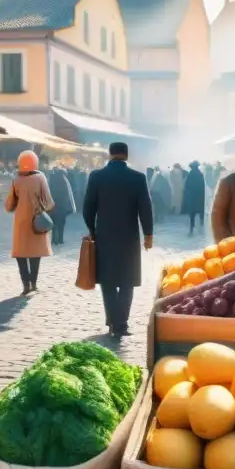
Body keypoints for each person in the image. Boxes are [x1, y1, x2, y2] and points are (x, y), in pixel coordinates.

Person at [83, 142, 153, 337]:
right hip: (129, 238)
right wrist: (148, 234)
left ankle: (112, 321)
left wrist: (92, 229)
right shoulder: (138, 178)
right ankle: (122, 323)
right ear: (126, 155)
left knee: (108, 281)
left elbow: (88, 208)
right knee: (127, 281)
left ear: (110, 154)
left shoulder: (96, 176)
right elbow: (145, 208)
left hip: (104, 236)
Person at [5, 150, 55, 295]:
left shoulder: (16, 179)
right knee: (35, 254)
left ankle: (25, 285)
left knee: (20, 254)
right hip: (36, 220)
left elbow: (9, 205)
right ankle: (34, 284)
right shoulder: (40, 177)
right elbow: (49, 202)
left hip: (20, 221)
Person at [47, 163, 76, 246]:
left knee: (53, 224)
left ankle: (53, 240)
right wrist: (71, 208)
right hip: (62, 206)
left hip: (52, 206)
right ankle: (60, 239)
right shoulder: (65, 181)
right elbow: (69, 195)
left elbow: (48, 192)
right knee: (61, 225)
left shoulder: (51, 180)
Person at [180, 161, 206, 235]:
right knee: (200, 211)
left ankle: (191, 229)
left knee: (192, 213)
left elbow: (187, 187)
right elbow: (202, 187)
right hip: (199, 196)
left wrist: (186, 196)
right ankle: (201, 227)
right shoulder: (200, 174)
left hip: (192, 197)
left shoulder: (190, 175)